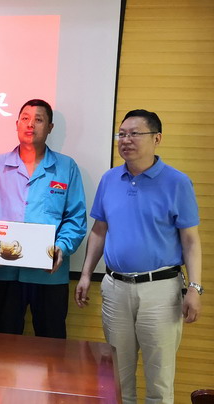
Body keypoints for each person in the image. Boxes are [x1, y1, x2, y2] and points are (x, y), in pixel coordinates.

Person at [75, 109, 202, 404]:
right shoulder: (110, 179)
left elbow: (190, 240)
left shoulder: (177, 182)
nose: (126, 140)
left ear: (157, 138)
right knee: (118, 378)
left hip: (161, 290)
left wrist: (195, 288)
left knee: (159, 380)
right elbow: (99, 231)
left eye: (135, 134)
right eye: (121, 134)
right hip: (115, 288)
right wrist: (85, 275)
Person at [0, 99, 87, 338]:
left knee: (51, 342)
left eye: (39, 119)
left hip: (49, 274)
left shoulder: (66, 167)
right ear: (16, 124)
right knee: (4, 340)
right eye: (25, 118)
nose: (30, 124)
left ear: (50, 127)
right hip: (4, 271)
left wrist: (62, 247)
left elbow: (76, 218)